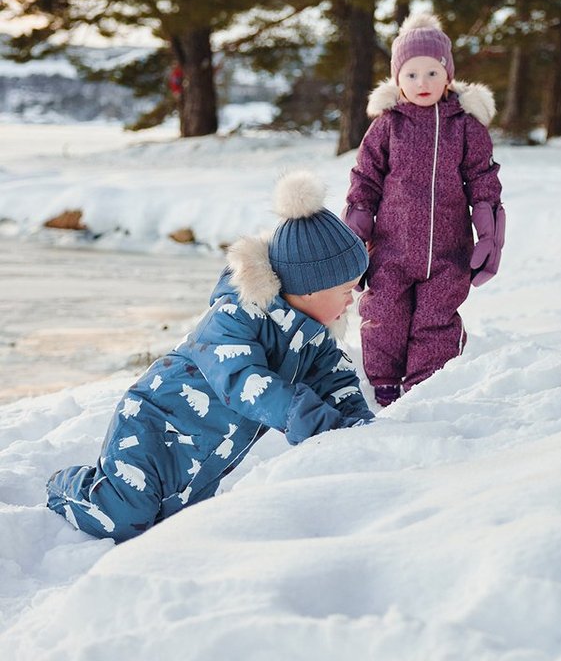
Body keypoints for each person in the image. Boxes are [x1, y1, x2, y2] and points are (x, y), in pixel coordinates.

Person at [46, 173, 373, 543]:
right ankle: (65, 486)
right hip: (151, 424)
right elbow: (246, 383)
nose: (353, 300)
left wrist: (358, 426)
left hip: (206, 453)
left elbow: (337, 381)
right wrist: (307, 418)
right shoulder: (235, 317)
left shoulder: (313, 336)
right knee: (122, 518)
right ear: (308, 288)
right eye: (346, 289)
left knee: (174, 528)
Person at [343, 10, 503, 404]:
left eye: (432, 72)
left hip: (449, 250)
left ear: (448, 74)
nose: (423, 83)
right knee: (384, 317)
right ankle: (383, 385)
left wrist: (489, 235)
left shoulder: (465, 126)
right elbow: (365, 179)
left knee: (436, 320)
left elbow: (483, 181)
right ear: (398, 79)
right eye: (412, 74)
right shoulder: (387, 125)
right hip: (391, 249)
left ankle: (425, 388)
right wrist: (355, 233)